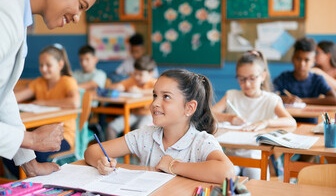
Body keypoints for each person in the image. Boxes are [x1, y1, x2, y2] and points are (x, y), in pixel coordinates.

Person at [0, 0, 104, 177]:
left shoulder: (14, 11)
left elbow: (2, 92)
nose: (77, 17)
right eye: (80, 5)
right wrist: (32, 140)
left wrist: (31, 164)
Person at [85, 69, 235, 183]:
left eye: (166, 97)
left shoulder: (200, 142)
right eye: (155, 95)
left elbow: (227, 172)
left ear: (189, 108)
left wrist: (173, 166)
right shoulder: (145, 136)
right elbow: (92, 151)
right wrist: (101, 162)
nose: (155, 103)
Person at [212, 50, 296, 179]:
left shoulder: (270, 99)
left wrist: (265, 122)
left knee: (259, 182)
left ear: (263, 76)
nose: (247, 84)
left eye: (252, 78)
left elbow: (290, 122)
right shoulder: (232, 95)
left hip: (257, 157)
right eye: (242, 79)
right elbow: (210, 113)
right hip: (230, 156)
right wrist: (229, 118)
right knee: (224, 177)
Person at [105, 55, 157, 140]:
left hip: (149, 115)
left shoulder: (155, 82)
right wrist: (118, 87)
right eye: (135, 73)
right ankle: (112, 153)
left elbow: (158, 91)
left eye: (140, 74)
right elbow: (112, 86)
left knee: (140, 132)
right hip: (133, 114)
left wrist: (141, 91)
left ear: (150, 73)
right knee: (111, 127)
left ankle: (134, 154)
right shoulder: (132, 80)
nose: (137, 77)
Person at [273, 37, 336, 107]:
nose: (302, 64)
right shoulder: (284, 77)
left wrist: (302, 101)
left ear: (313, 61)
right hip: (288, 117)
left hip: (310, 117)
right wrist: (283, 99)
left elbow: (334, 99)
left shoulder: (317, 79)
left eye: (307, 60)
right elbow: (268, 94)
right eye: (298, 59)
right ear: (292, 58)